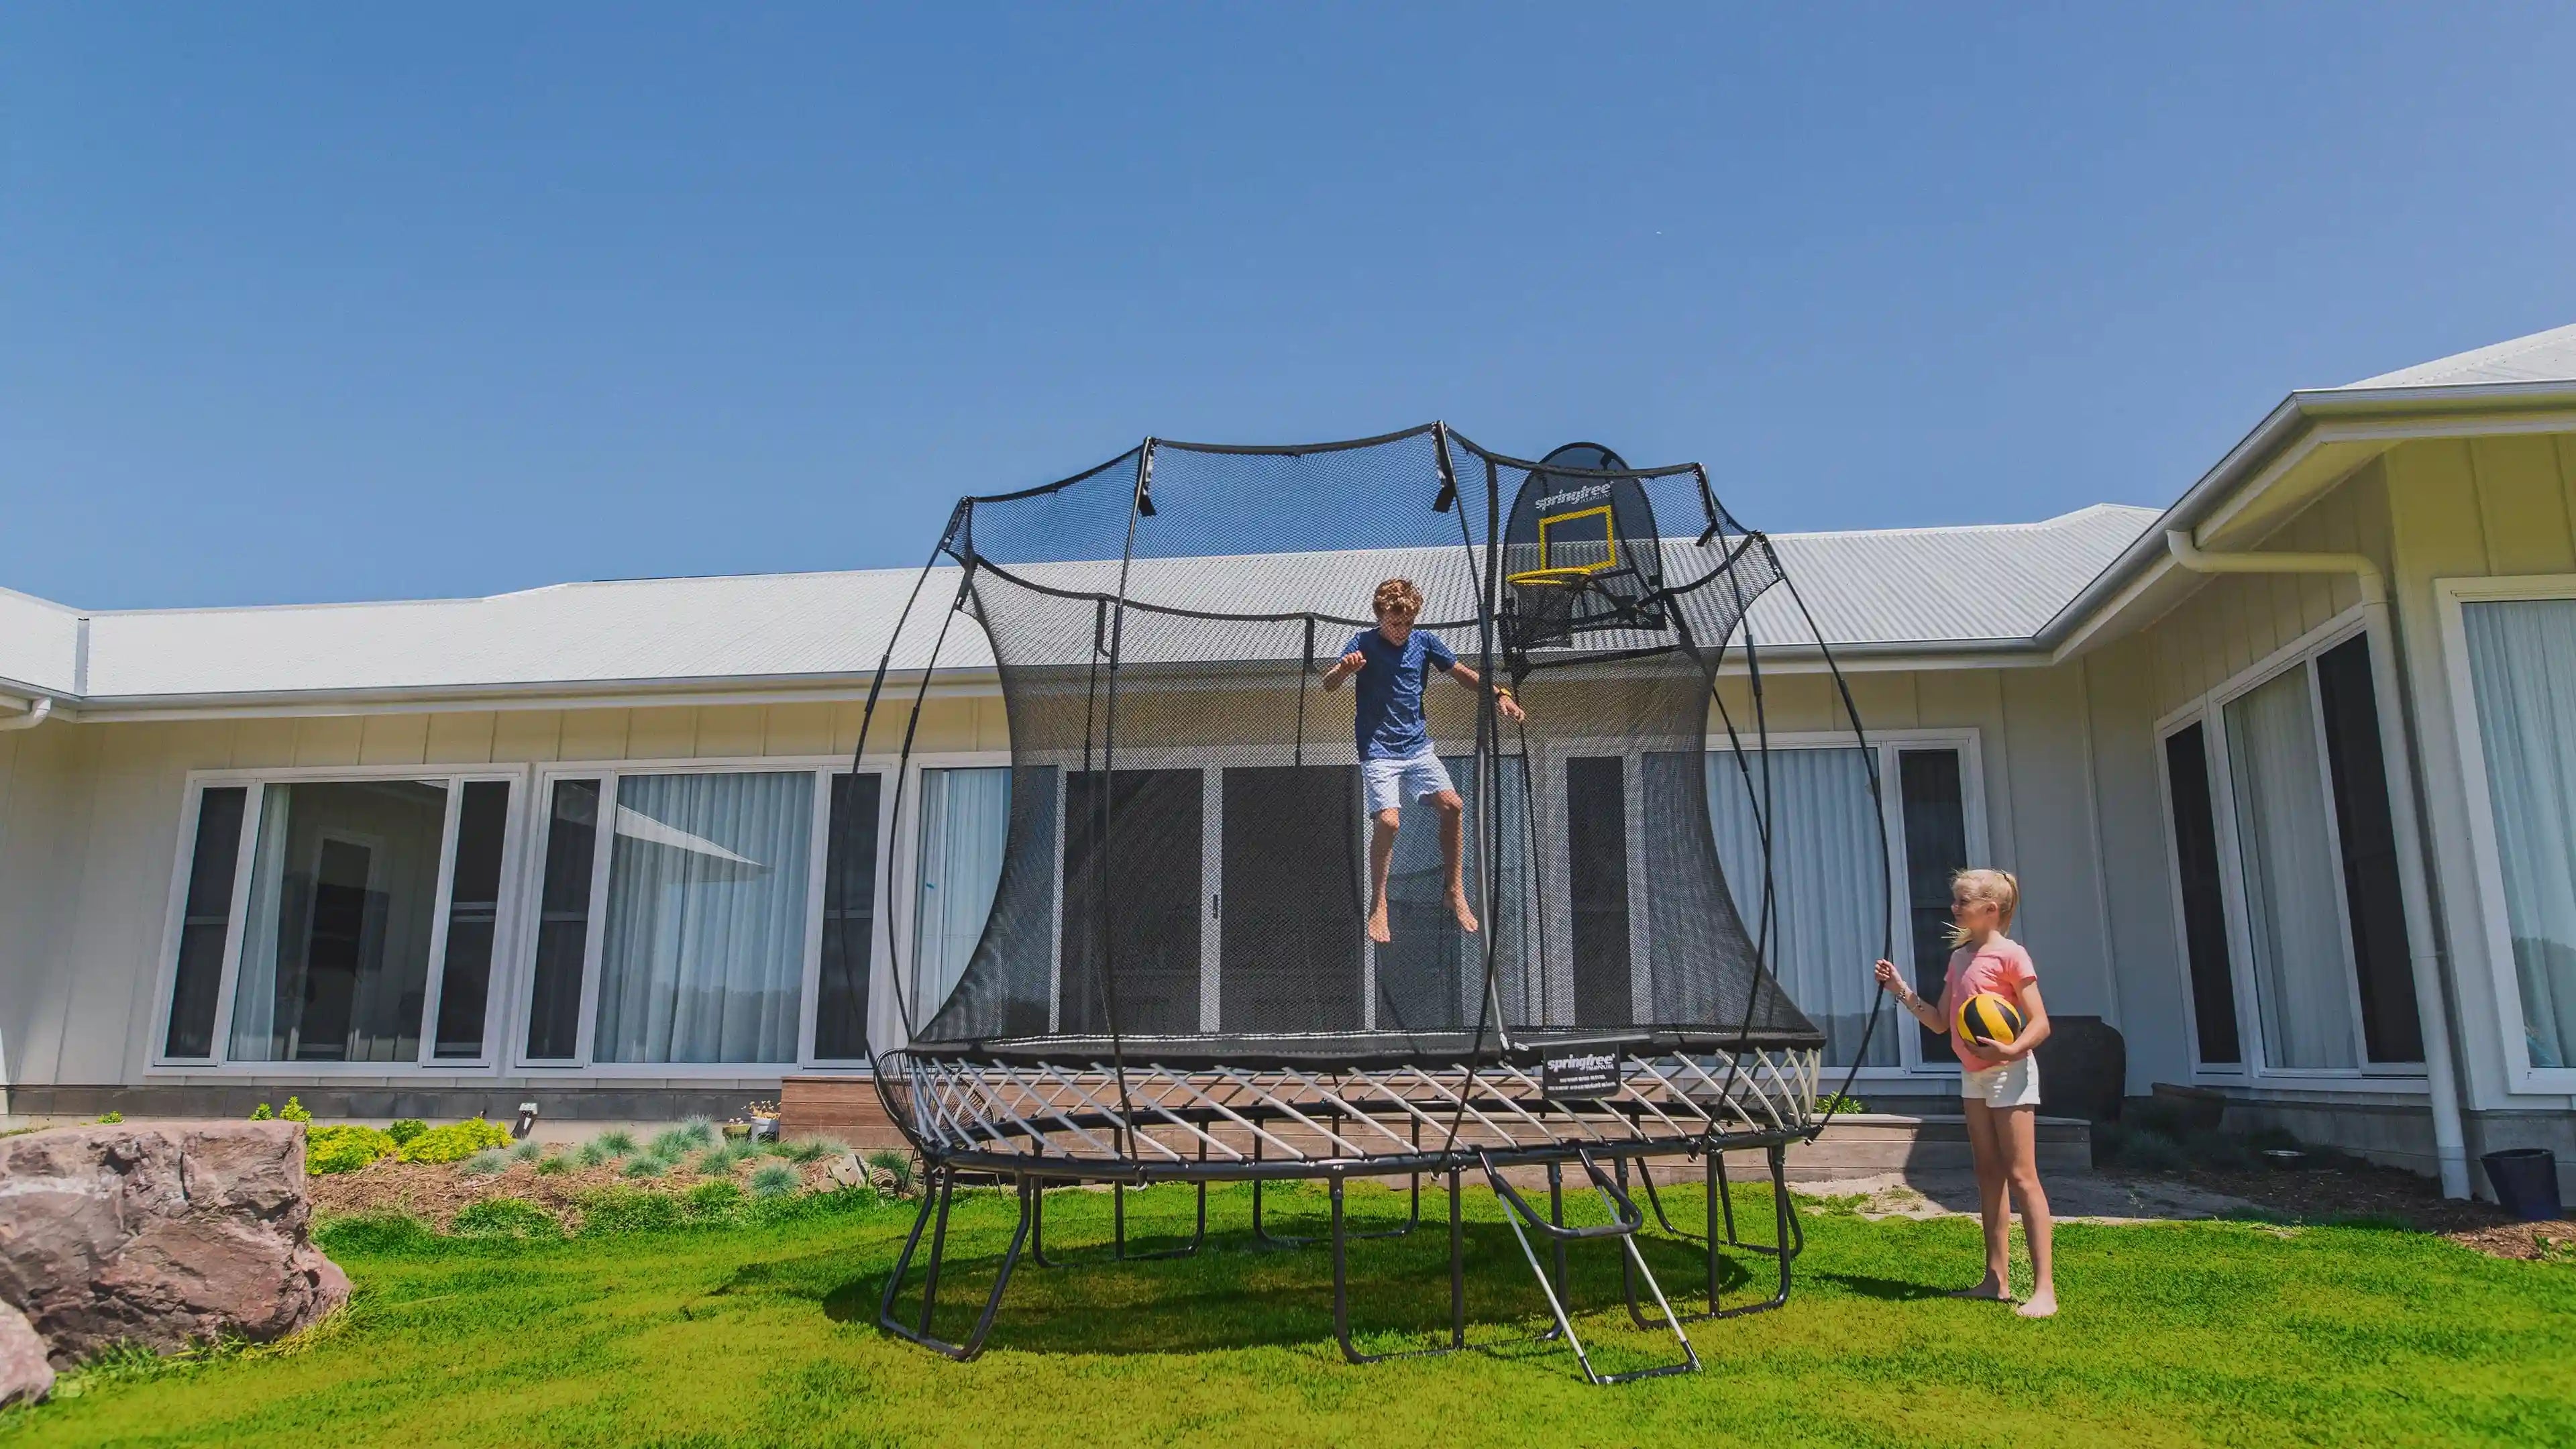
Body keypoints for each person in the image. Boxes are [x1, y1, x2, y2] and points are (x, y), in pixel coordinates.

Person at [1873, 869, 2057, 1318]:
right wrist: (1900, 991)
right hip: (1973, 1074)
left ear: (1991, 910)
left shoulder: (2012, 956)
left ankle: (2045, 1291)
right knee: (1987, 1172)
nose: (1954, 908)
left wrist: (2011, 1048)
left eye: (1963, 902)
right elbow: (1940, 1021)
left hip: (2010, 1072)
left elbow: (2041, 1023)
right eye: (1955, 900)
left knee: (2021, 1175)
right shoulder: (1960, 959)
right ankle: (1995, 1281)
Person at [1321, 576, 1524, 943]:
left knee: (1453, 806)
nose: (1402, 631)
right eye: (1396, 624)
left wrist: (1500, 695)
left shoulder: (1424, 642)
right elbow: (1329, 684)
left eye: (1408, 624)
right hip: (1379, 749)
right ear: (1381, 616)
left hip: (1416, 747)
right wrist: (1344, 670)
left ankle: (1453, 891)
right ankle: (1378, 902)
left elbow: (1463, 675)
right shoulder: (1363, 643)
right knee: (1390, 821)